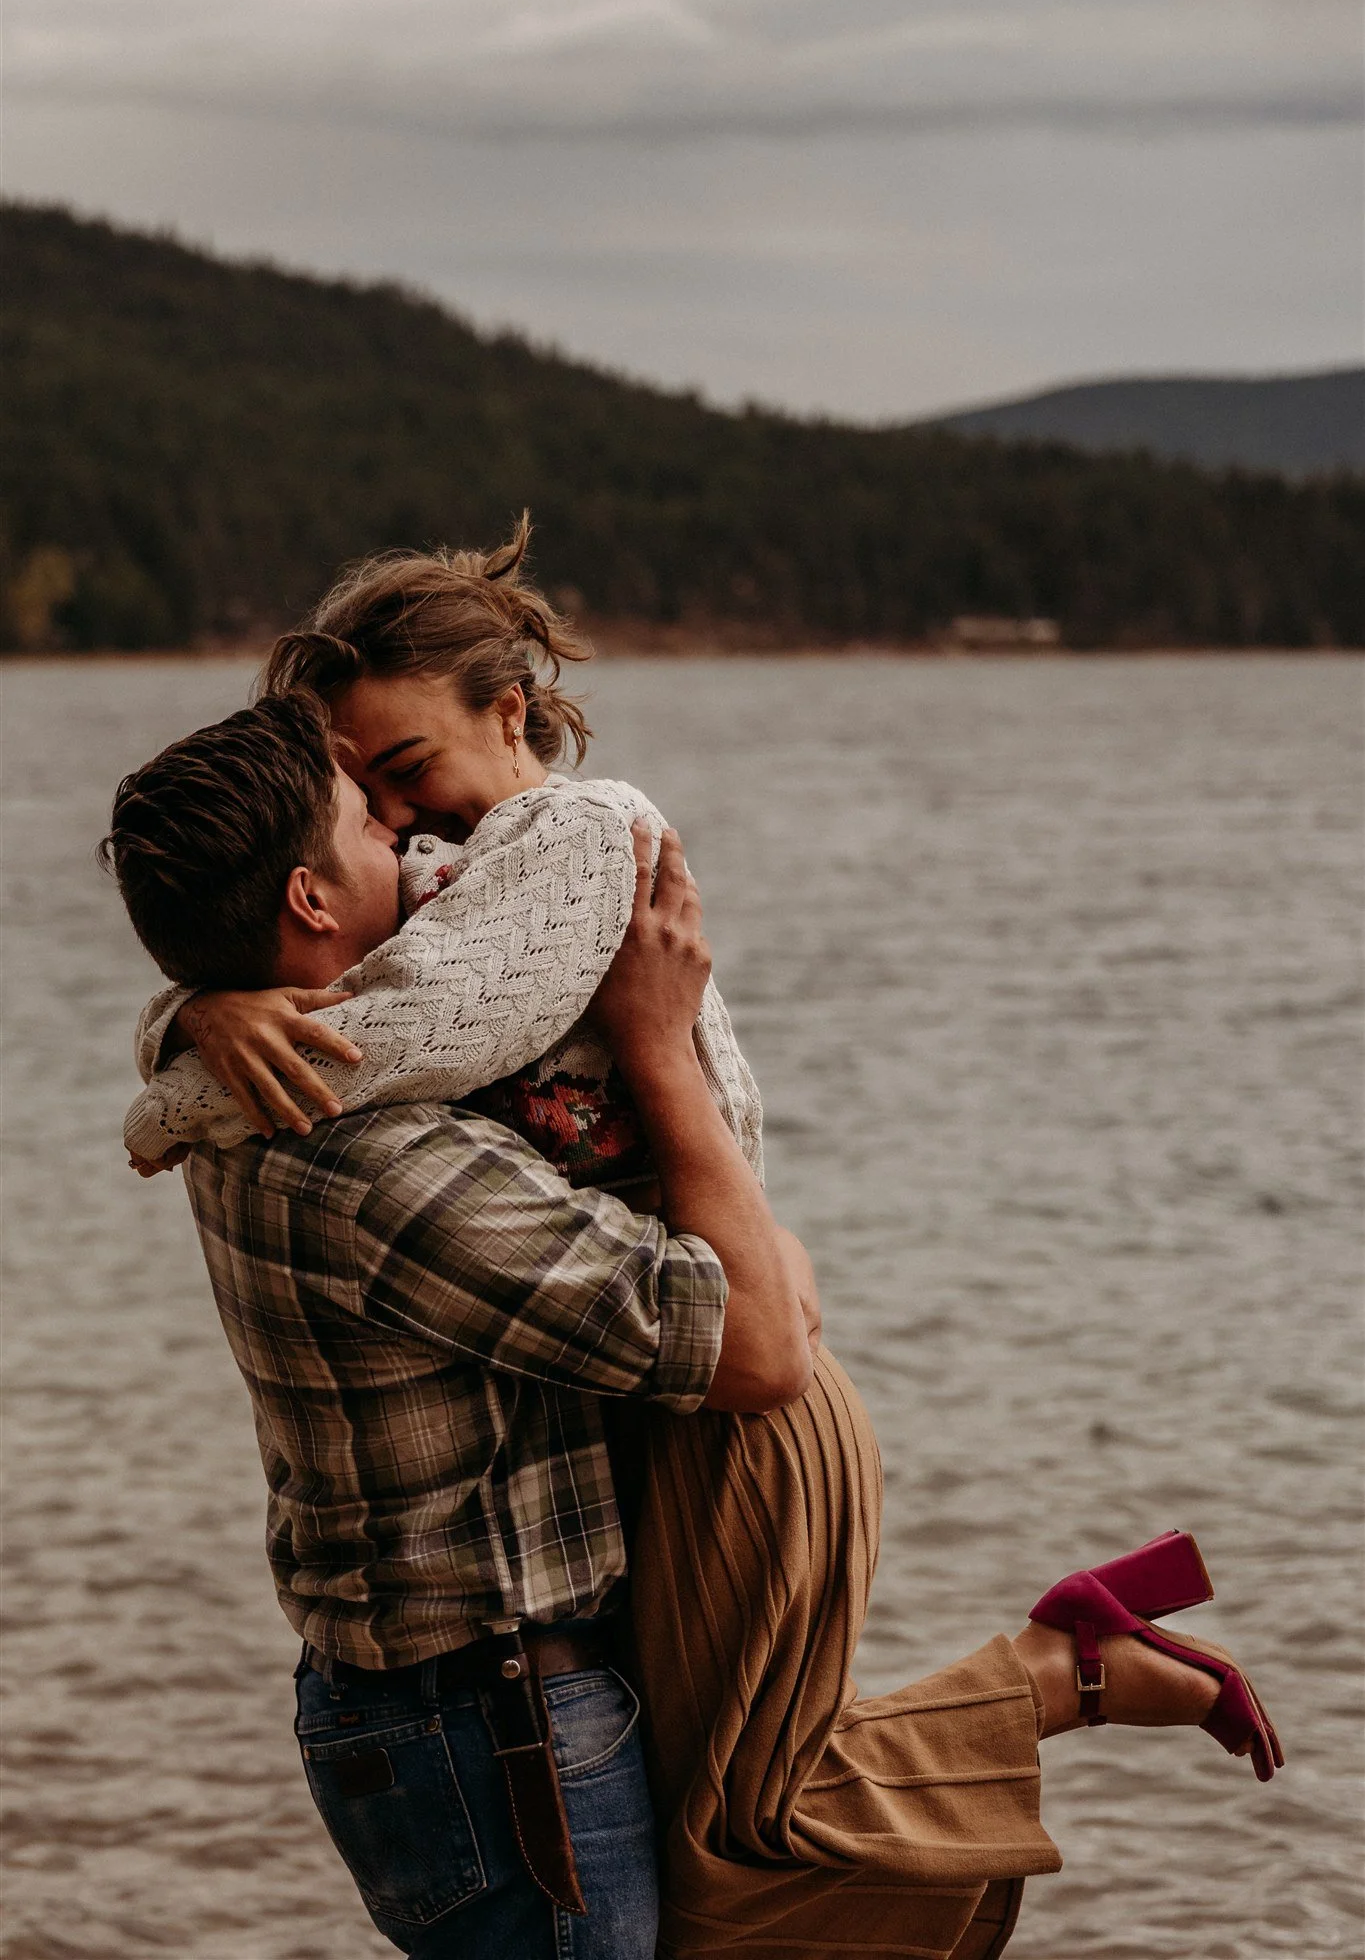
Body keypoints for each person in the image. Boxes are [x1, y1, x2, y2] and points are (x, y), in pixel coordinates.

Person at [103, 686, 1281, 1958]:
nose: (403, 833)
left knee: (752, 1846)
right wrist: (661, 1046)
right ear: (309, 901)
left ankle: (1063, 1672)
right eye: (362, 819)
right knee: (756, 1863)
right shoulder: (369, 1158)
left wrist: (188, 1012)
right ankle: (1056, 1676)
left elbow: (440, 1000)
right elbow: (764, 1343)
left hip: (486, 1699)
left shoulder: (276, 1076)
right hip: (496, 1728)